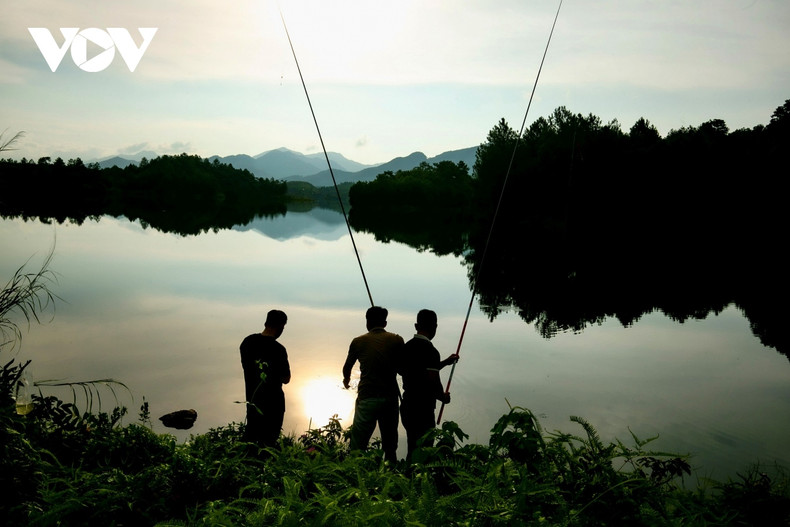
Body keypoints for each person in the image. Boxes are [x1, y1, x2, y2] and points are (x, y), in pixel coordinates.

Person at [342, 306, 404, 463]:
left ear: (367, 322)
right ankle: (391, 475)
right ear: (385, 322)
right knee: (390, 445)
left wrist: (346, 380)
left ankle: (355, 475)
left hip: (367, 398)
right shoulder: (397, 340)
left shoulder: (358, 341)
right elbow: (403, 369)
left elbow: (347, 368)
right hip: (389, 399)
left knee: (358, 446)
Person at [398, 309, 458, 461]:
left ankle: (407, 478)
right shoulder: (431, 351)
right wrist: (442, 397)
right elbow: (432, 380)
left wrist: (444, 363)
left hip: (407, 406)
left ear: (416, 325)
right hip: (423, 409)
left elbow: (413, 369)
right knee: (425, 451)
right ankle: (420, 481)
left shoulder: (406, 347)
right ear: (435, 327)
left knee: (412, 446)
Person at [240, 309, 291, 449]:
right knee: (269, 443)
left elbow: (247, 367)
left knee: (251, 439)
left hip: (253, 400)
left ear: (266, 322)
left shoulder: (247, 342)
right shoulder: (279, 349)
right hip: (274, 405)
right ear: (281, 326)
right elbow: (286, 379)